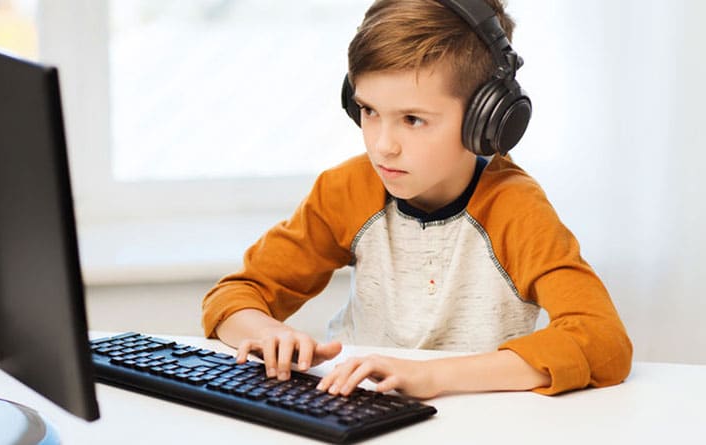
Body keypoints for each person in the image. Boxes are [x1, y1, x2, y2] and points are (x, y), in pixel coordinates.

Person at [201, 0, 632, 399]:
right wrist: (263, 330)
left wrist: (431, 376)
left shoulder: (514, 208)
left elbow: (603, 342)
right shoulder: (347, 190)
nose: (383, 145)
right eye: (369, 111)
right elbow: (235, 295)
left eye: (412, 119)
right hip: (360, 410)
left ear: (488, 121)